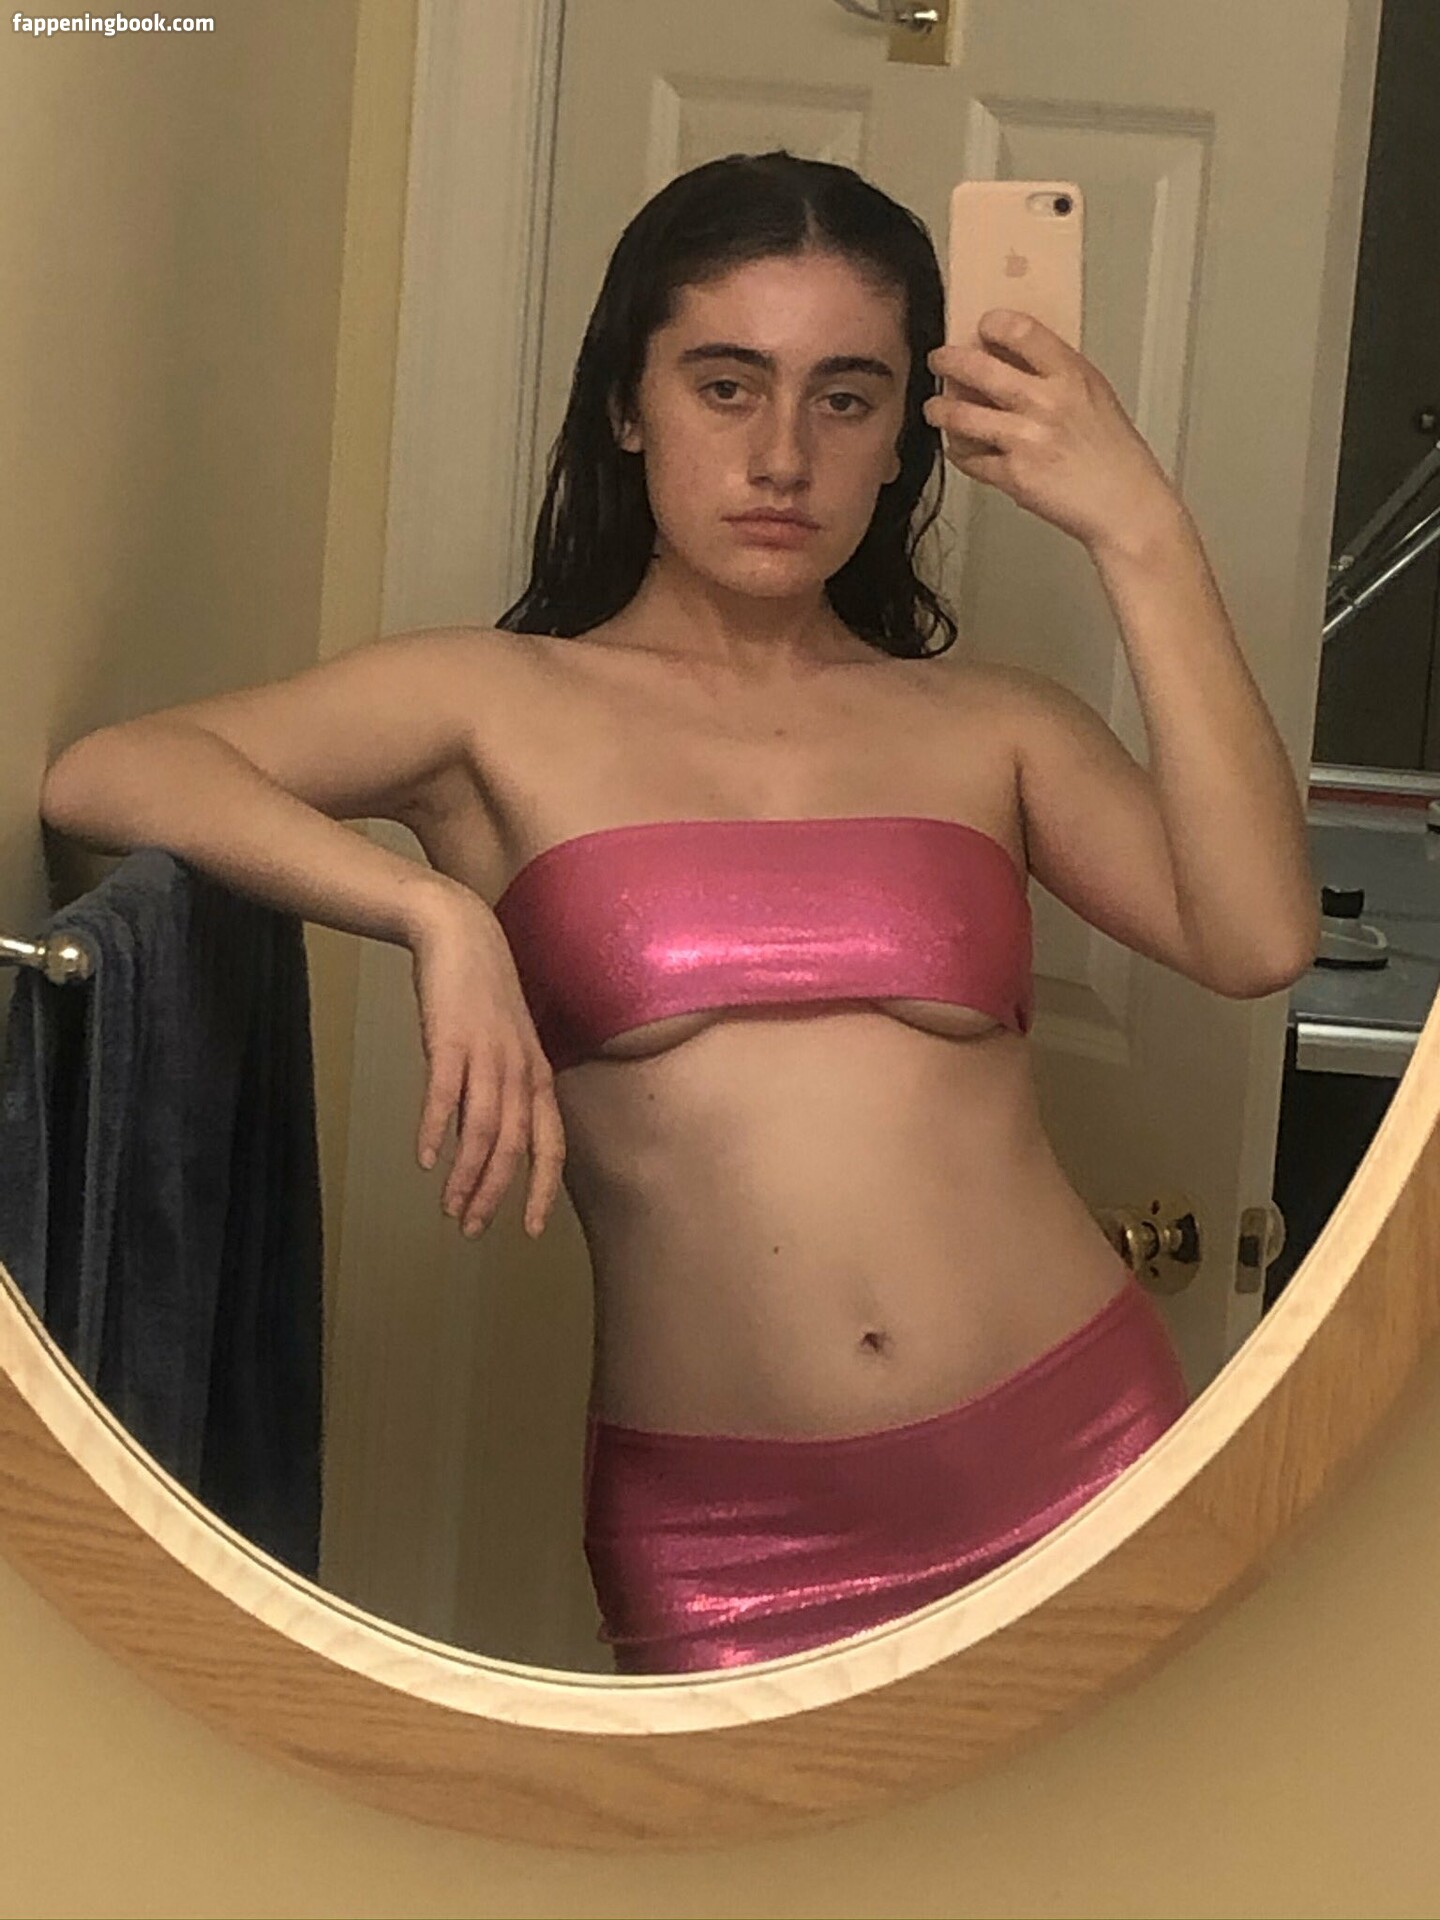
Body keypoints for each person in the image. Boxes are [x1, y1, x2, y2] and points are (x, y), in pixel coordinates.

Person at [39, 152, 1320, 1677]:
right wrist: (433, 915)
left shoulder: (995, 726)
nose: (783, 454)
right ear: (627, 406)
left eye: (846, 397)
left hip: (1087, 1456)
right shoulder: (490, 705)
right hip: (729, 1538)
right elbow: (110, 774)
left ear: (902, 440)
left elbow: (1256, 937)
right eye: (727, 386)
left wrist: (1141, 531)